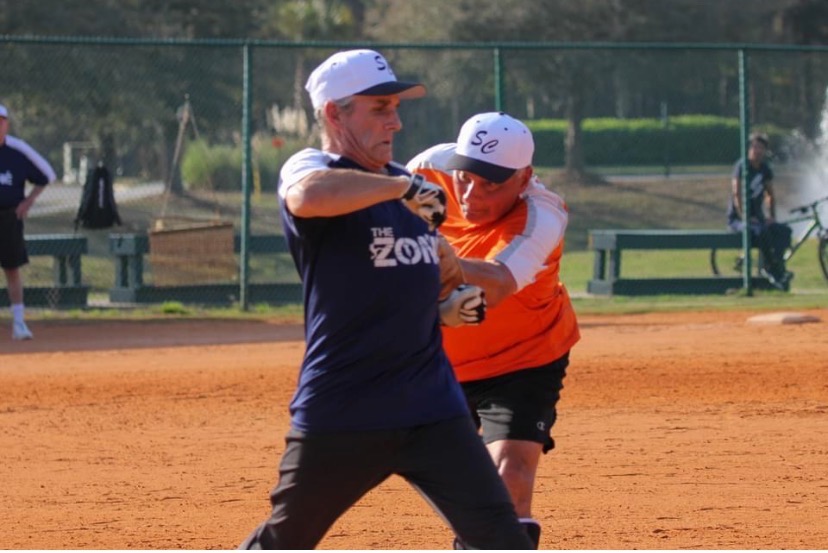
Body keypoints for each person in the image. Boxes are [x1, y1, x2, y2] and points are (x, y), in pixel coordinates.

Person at [238, 50, 533, 550]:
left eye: (396, 107)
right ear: (335, 113)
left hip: (433, 408)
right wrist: (400, 187)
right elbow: (306, 197)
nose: (394, 121)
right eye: (379, 109)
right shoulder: (315, 166)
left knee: (501, 539)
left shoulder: (410, 191)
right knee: (284, 542)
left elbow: (403, 286)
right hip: (344, 409)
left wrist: (446, 302)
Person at [408, 112, 581, 549]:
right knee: (457, 486)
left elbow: (500, 281)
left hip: (524, 359)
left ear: (524, 178)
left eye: (493, 184)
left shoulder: (543, 214)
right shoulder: (427, 172)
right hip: (438, 363)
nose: (473, 194)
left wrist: (441, 261)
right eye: (467, 177)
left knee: (509, 475)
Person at [0, 103, 56, 341]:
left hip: (10, 217)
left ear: (7, 124)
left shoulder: (18, 150)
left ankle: (19, 323)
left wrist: (28, 202)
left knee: (12, 268)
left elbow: (47, 175)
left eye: (1, 120)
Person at [727, 132, 793, 290]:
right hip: (738, 220)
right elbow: (737, 194)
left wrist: (771, 216)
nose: (756, 150)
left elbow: (770, 194)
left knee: (784, 231)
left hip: (759, 219)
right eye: (754, 146)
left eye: (760, 147)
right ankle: (772, 270)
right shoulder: (742, 166)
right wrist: (745, 218)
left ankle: (777, 264)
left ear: (764, 151)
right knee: (761, 232)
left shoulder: (764, 169)